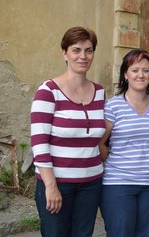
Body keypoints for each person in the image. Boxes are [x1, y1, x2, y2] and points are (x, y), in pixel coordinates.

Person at [30, 26, 105, 237]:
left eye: (89, 50)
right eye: (76, 50)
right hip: (58, 182)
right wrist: (50, 185)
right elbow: (39, 143)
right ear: (65, 53)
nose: (83, 56)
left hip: (91, 183)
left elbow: (100, 136)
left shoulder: (100, 92)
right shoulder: (48, 91)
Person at [99, 49, 149, 237]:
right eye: (135, 70)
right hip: (118, 183)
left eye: (145, 70)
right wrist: (114, 161)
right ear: (126, 75)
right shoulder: (112, 106)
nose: (140, 75)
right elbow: (100, 143)